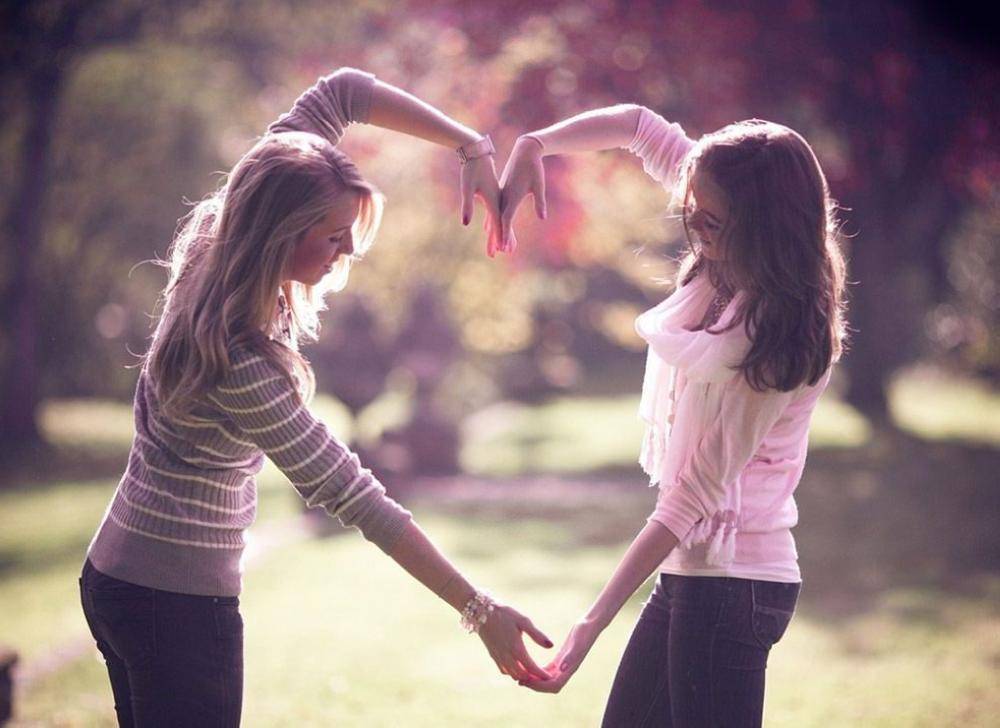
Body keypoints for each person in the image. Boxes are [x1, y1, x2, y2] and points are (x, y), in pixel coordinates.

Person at [79, 67, 551, 727]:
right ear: (279, 232)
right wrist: (480, 608)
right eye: (331, 236)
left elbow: (344, 92)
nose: (347, 249)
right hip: (174, 604)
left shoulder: (219, 235)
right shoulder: (240, 362)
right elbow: (354, 494)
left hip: (119, 575)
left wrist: (470, 145)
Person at [500, 104, 847, 726]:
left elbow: (690, 498)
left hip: (736, 583)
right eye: (693, 212)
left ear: (764, 228)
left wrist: (589, 627)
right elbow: (636, 126)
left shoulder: (777, 337)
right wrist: (536, 142)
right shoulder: (721, 206)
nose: (696, 230)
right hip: (695, 573)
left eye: (712, 222)